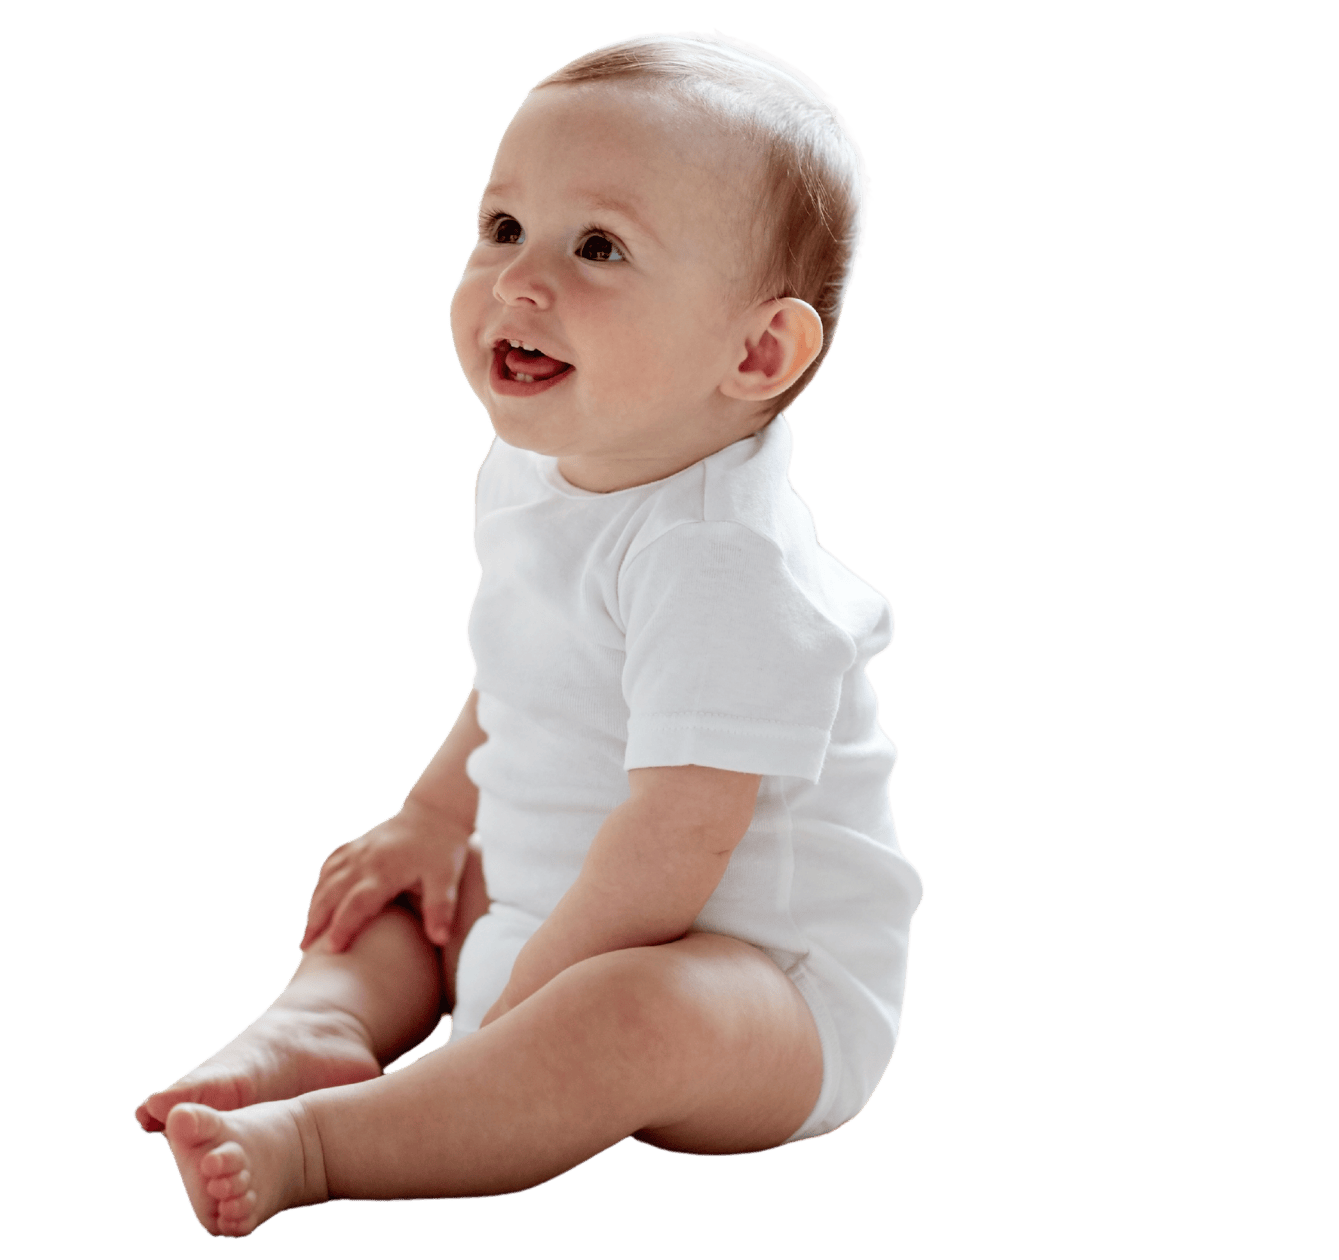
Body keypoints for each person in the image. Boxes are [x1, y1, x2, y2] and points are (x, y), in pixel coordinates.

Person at [133, 30, 924, 1238]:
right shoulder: (534, 469)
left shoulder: (723, 561)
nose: (518, 281)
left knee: (636, 1017)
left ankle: (323, 1144)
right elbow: (519, 673)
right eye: (502, 228)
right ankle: (309, 1031)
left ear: (759, 351)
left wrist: (531, 1001)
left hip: (764, 988)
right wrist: (434, 821)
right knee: (395, 893)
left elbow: (677, 840)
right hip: (560, 890)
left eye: (597, 247)